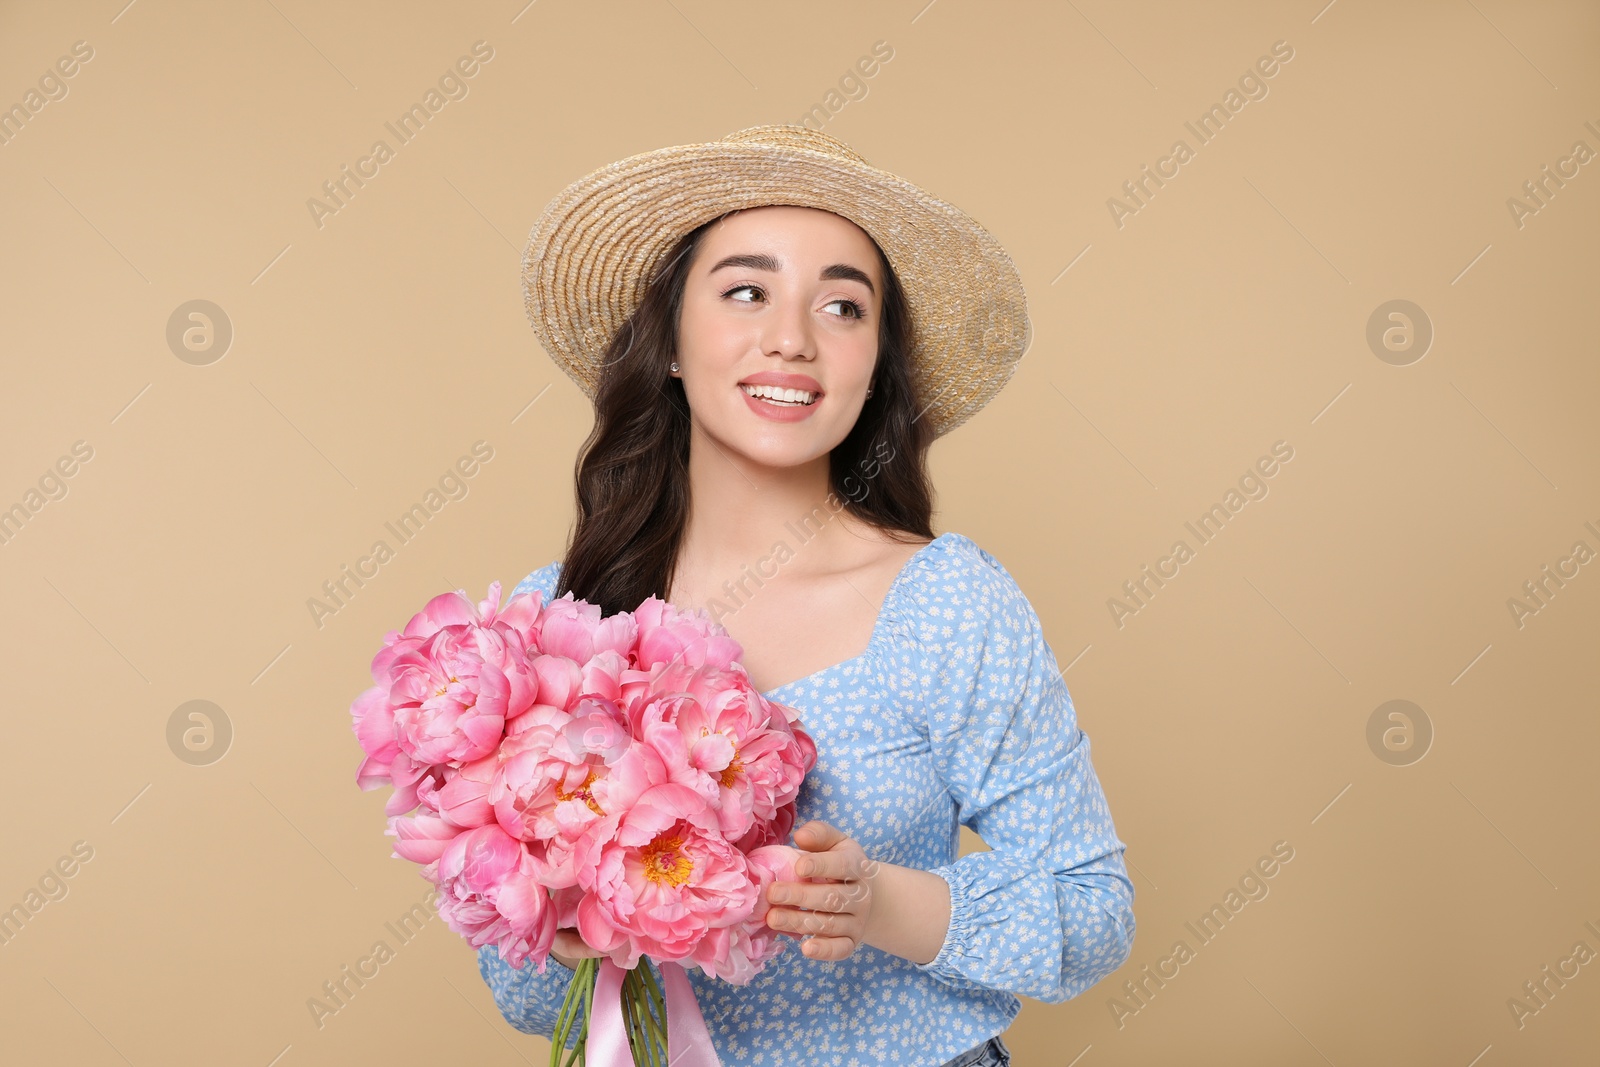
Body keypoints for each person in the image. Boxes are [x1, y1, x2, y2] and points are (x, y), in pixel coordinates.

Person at [477, 124, 1135, 1067]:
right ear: (666, 340)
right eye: (747, 291)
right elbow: (521, 993)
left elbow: (1091, 908)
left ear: (873, 368)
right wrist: (570, 921)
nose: (792, 339)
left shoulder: (943, 603)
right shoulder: (558, 623)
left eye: (842, 307)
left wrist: (877, 902)